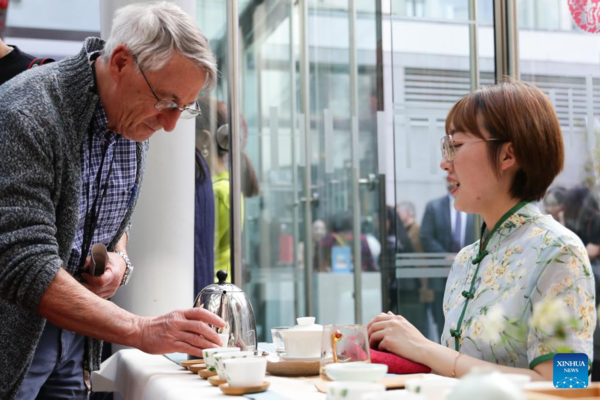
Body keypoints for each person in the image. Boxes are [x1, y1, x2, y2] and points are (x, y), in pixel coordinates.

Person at [0, 3, 227, 399]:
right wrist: (140, 329)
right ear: (121, 62)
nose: (171, 124)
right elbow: (25, 264)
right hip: (13, 339)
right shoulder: (27, 112)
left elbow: (109, 219)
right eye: (166, 102)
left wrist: (119, 261)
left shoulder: (127, 114)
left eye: (184, 107)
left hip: (74, 339)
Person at [368, 79, 595, 381]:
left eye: (456, 146)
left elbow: (569, 382)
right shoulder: (466, 259)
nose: (444, 163)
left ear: (507, 155)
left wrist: (423, 348)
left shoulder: (558, 251)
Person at [195, 99, 259, 283]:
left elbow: (199, 249)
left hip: (209, 289)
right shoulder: (226, 185)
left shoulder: (217, 191)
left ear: (204, 139)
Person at [419, 180, 475, 337]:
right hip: (441, 274)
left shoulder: (475, 207)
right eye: (449, 178)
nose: (452, 181)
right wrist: (446, 257)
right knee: (441, 319)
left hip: (469, 272)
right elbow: (426, 236)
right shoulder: (434, 207)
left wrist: (464, 256)